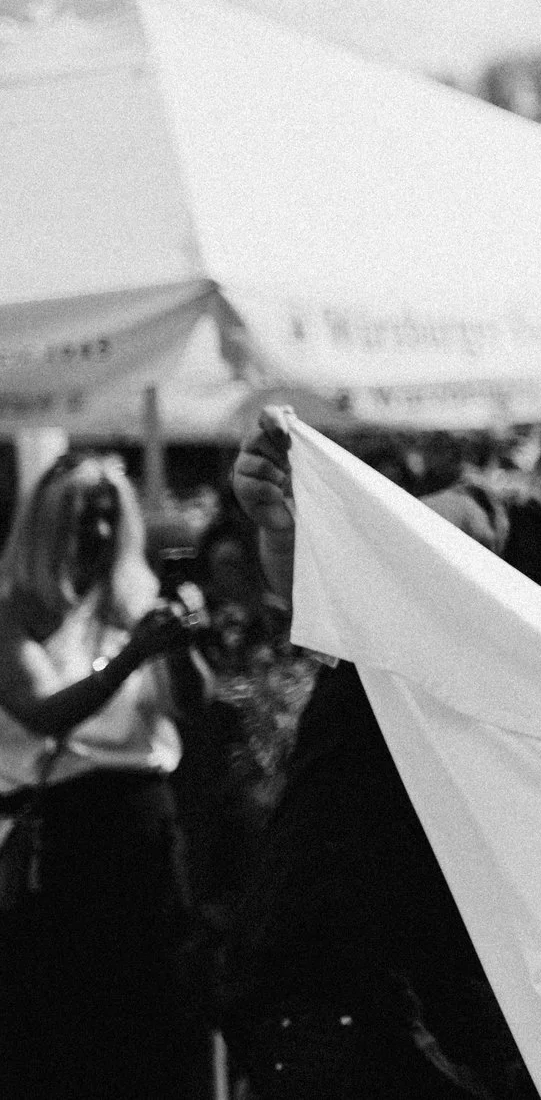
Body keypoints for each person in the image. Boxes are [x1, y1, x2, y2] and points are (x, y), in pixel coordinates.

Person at [223, 382, 541, 1100]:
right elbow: (370, 568)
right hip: (343, 975)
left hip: (446, 1010)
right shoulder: (483, 536)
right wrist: (294, 531)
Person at [0, 454, 214, 1100]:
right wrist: (130, 658)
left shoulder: (136, 601)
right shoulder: (16, 610)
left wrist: (179, 645)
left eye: (106, 516)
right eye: (80, 516)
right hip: (60, 833)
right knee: (62, 1020)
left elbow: (192, 703)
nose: (95, 532)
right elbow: (41, 711)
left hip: (141, 821)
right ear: (45, 524)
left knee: (154, 1011)